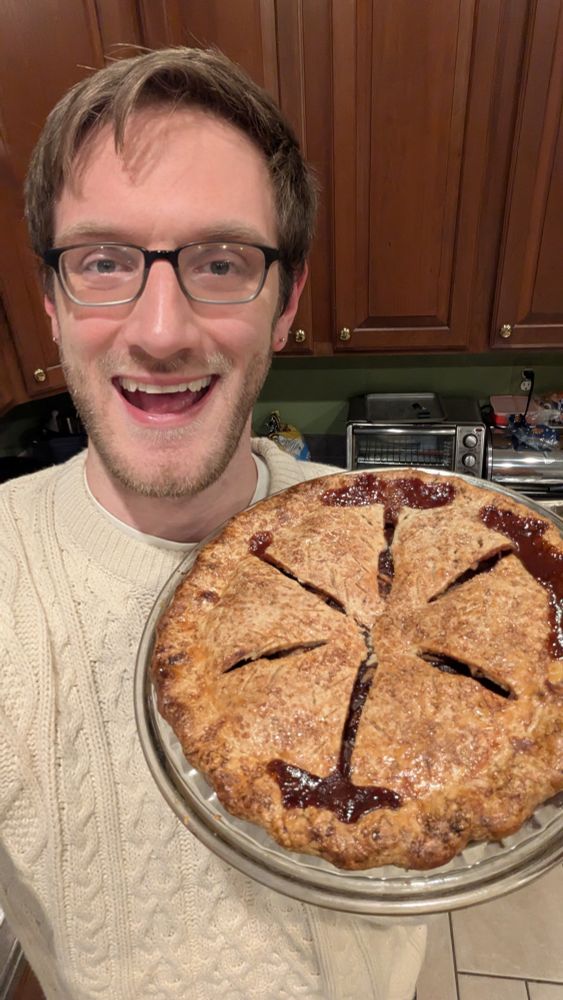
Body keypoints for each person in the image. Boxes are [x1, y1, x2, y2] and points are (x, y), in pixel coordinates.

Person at [0, 47, 426, 999]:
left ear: (287, 303)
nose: (160, 330)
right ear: (52, 300)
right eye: (103, 261)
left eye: (221, 262)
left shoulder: (392, 541)